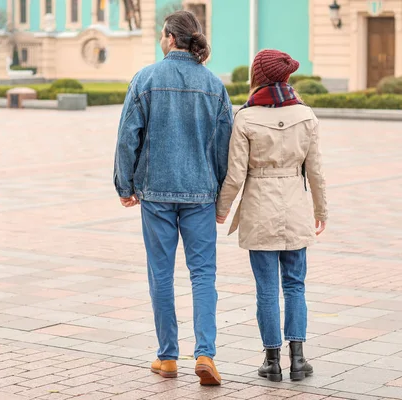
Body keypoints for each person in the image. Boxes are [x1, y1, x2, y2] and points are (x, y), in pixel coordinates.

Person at [113, 11, 233, 386]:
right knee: (203, 274)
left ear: (169, 37)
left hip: (156, 191)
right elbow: (224, 146)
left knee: (161, 274)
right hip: (200, 192)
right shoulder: (214, 85)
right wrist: (218, 191)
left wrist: (124, 184)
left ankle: (167, 358)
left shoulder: (146, 79)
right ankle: (205, 353)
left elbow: (127, 137)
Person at [216, 49, 328, 382]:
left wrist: (221, 210)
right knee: (295, 286)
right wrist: (321, 210)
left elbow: (235, 175)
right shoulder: (306, 116)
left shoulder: (246, 118)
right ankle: (298, 360)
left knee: (266, 289)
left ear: (257, 77)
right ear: (287, 77)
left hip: (259, 208)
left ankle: (272, 361)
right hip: (296, 206)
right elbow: (317, 171)